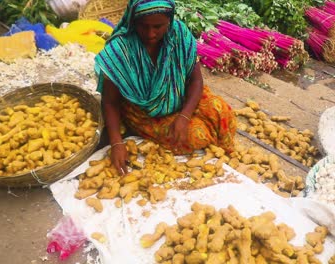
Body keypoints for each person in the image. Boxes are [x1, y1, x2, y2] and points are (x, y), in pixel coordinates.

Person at [95, 0, 236, 174]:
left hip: (180, 95)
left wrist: (184, 116)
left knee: (220, 110)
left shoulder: (180, 36)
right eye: (143, 26)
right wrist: (116, 143)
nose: (151, 33)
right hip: (145, 112)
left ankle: (225, 152)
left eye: (158, 26)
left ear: (169, 20)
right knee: (195, 136)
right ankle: (211, 143)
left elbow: (196, 81)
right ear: (133, 20)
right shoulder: (119, 50)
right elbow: (110, 102)